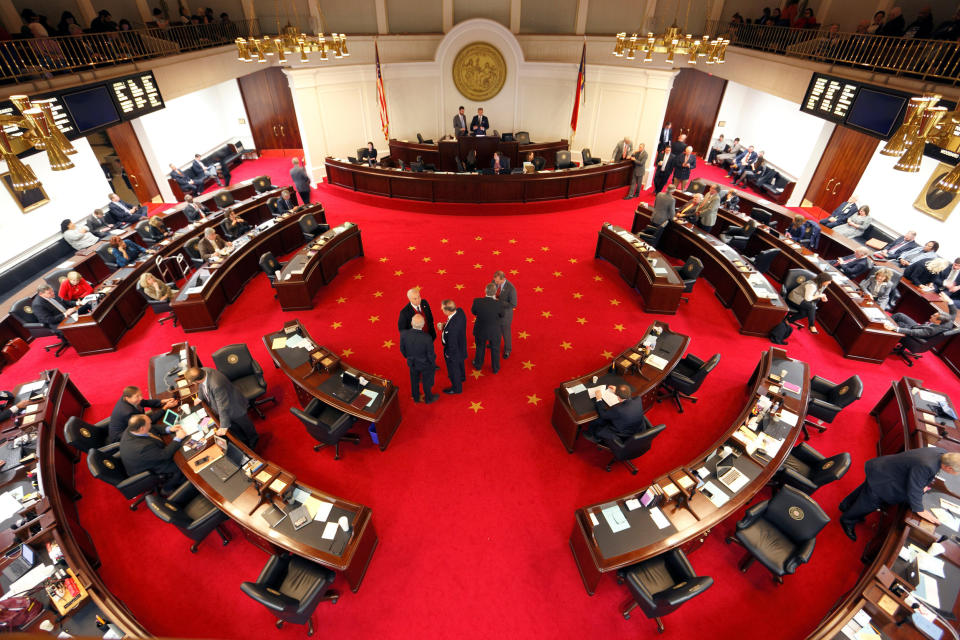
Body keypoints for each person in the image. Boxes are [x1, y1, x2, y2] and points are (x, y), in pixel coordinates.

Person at [838, 449, 960, 541]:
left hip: (883, 469)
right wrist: (920, 510)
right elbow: (914, 489)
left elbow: (918, 474)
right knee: (869, 503)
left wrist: (924, 482)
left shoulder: (942, 453)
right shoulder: (927, 466)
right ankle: (847, 520)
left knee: (865, 490)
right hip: (885, 480)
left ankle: (846, 504)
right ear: (948, 468)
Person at [184, 367, 259, 448]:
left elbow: (223, 407)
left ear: (197, 381)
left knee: (245, 425)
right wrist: (200, 397)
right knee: (234, 428)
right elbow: (202, 386)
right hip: (225, 403)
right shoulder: (203, 371)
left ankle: (254, 438)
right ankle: (243, 441)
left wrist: (223, 426)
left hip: (234, 407)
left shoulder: (216, 385)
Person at [118, 414, 187, 493]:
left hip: (146, 456)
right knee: (182, 464)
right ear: (142, 428)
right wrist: (177, 439)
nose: (151, 423)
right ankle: (168, 487)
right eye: (149, 423)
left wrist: (169, 429)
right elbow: (164, 455)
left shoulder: (132, 428)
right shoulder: (142, 448)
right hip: (149, 467)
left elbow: (152, 428)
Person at [108, 385, 177, 443]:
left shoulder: (128, 399)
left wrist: (163, 401)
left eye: (140, 395)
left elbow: (145, 402)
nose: (141, 398)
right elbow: (147, 421)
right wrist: (165, 408)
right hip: (122, 436)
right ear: (127, 398)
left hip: (133, 422)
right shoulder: (127, 412)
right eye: (137, 396)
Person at [400, 314, 438, 404]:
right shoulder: (427, 338)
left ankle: (416, 397)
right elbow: (430, 354)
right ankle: (429, 398)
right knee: (426, 381)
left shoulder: (404, 334)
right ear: (423, 324)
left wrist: (409, 357)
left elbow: (402, 349)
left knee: (414, 380)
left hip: (412, 363)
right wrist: (432, 364)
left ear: (412, 323)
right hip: (425, 365)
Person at [471, 283, 504, 373]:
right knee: (495, 349)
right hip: (494, 332)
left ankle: (478, 365)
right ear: (495, 293)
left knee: (480, 347)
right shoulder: (499, 304)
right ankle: (495, 368)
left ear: (485, 291)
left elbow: (474, 312)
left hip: (480, 330)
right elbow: (502, 315)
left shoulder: (477, 301)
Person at [437, 299, 467, 395]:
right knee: (460, 362)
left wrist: (448, 354)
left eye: (442, 309)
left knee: (453, 370)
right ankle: (462, 376)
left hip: (453, 351)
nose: (441, 310)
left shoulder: (452, 329)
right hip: (461, 346)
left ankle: (456, 388)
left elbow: (452, 344)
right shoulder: (460, 312)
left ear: (447, 311)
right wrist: (444, 325)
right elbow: (453, 324)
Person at [492, 270, 517, 359]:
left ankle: (507, 350)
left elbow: (513, 304)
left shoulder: (511, 288)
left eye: (497, 281)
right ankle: (493, 344)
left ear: (503, 279)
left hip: (505, 315)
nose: (495, 283)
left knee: (505, 333)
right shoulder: (494, 281)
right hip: (495, 312)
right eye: (494, 280)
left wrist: (500, 302)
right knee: (494, 329)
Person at [886, 311, 953, 339]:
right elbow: (953, 313)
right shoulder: (947, 322)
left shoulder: (932, 330)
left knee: (899, 324)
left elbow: (912, 332)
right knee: (899, 315)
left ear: (938, 321)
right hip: (919, 326)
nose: (931, 315)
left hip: (915, 333)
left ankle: (882, 328)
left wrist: (895, 328)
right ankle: (884, 321)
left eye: (934, 316)